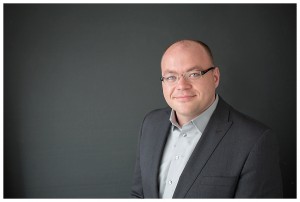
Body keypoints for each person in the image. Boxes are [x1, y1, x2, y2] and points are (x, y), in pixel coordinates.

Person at [131, 39, 282, 198]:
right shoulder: (150, 124)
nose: (182, 85)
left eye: (194, 74)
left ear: (215, 77)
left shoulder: (254, 141)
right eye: (171, 77)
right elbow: (138, 195)